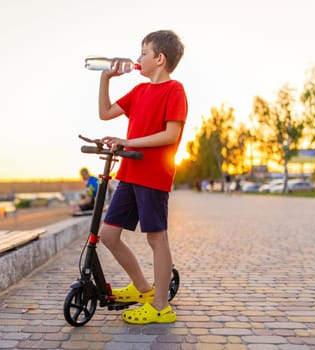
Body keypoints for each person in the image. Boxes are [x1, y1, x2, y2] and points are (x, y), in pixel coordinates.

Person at [96, 30, 187, 324]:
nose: (138, 59)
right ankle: (143, 289)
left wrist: (128, 142)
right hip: (130, 173)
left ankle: (161, 307)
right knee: (108, 235)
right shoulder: (139, 92)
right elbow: (105, 112)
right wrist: (105, 79)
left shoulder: (174, 90)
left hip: (154, 175)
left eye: (143, 53)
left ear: (159, 59)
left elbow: (171, 134)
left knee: (156, 238)